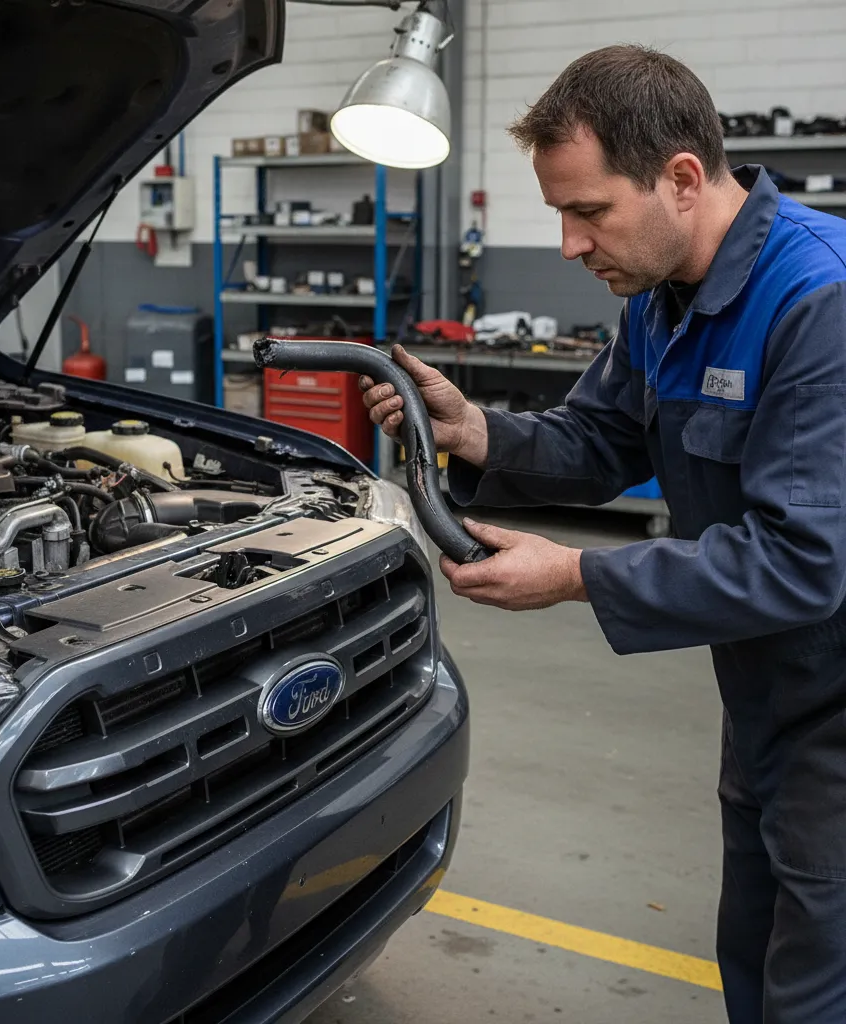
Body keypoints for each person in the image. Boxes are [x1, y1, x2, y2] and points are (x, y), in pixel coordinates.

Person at [360, 44, 846, 1024]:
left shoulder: (817, 301)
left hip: (834, 696)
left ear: (678, 178)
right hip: (762, 688)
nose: (572, 245)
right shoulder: (663, 299)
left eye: (588, 211)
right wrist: (473, 428)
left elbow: (804, 560)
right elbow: (600, 438)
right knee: (750, 945)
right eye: (560, 215)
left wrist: (579, 574)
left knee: (818, 978)